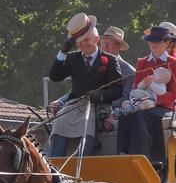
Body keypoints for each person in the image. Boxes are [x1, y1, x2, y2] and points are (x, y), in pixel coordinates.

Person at [47, 13, 123, 156]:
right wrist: (63, 51)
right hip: (74, 106)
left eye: (86, 40)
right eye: (79, 42)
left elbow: (117, 90)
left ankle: (83, 164)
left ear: (96, 39)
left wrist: (100, 96)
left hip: (97, 107)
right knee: (59, 121)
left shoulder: (110, 60)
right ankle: (54, 165)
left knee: (88, 124)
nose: (83, 44)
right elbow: (54, 76)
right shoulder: (72, 58)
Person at [116, 26, 176, 161]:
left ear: (166, 43)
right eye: (151, 41)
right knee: (125, 114)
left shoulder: (174, 63)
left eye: (157, 41)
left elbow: (175, 94)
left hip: (162, 107)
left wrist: (154, 100)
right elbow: (136, 86)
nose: (153, 44)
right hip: (142, 102)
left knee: (139, 116)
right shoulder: (142, 62)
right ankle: (122, 154)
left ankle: (140, 156)